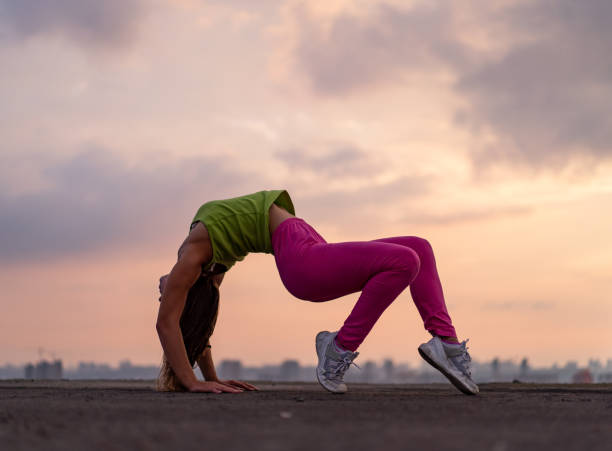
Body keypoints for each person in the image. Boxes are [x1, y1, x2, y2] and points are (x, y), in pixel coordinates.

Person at [156, 189, 478, 395]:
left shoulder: (201, 259)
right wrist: (195, 381)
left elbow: (197, 326)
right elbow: (168, 323)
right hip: (303, 263)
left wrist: (214, 377)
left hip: (309, 247)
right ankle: (339, 347)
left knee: (419, 247)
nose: (172, 288)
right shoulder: (196, 258)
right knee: (404, 261)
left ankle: (446, 344)